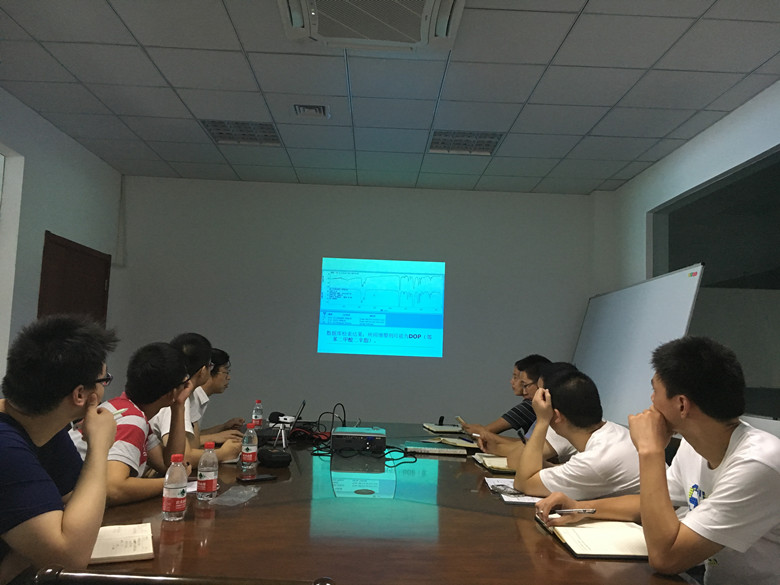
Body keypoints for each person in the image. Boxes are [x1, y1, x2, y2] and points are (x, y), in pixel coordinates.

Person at [536, 337, 780, 585]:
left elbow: (666, 559)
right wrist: (580, 508)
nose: (651, 400)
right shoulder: (693, 446)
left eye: (655, 391)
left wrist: (650, 450)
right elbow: (648, 503)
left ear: (681, 405)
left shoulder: (759, 463)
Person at [0, 315, 118, 583]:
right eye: (104, 380)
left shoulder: (45, 426)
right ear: (80, 395)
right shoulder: (5, 446)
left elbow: (78, 506)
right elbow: (69, 560)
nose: (104, 389)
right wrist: (99, 447)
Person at [69, 342, 193, 506]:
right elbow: (114, 488)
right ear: (172, 392)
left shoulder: (124, 408)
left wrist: (179, 405)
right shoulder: (132, 420)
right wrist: (173, 482)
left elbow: (168, 464)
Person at [508, 369, 640, 498]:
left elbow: (523, 484)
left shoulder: (595, 460)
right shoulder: (616, 432)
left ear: (556, 416)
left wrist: (542, 420)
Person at [150, 347, 243, 462]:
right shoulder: (178, 400)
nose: (228, 377)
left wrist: (221, 428)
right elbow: (182, 457)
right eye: (225, 372)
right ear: (204, 371)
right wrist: (223, 453)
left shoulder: (192, 397)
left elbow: (189, 439)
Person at [476, 361, 577, 459]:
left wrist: (495, 447)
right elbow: (525, 444)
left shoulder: (563, 421)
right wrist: (492, 439)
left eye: (540, 390)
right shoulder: (555, 416)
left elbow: (526, 454)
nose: (536, 395)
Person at [460, 354, 550, 438]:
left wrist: (480, 431)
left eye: (516, 377)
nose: (511, 381)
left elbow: (486, 432)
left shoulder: (530, 406)